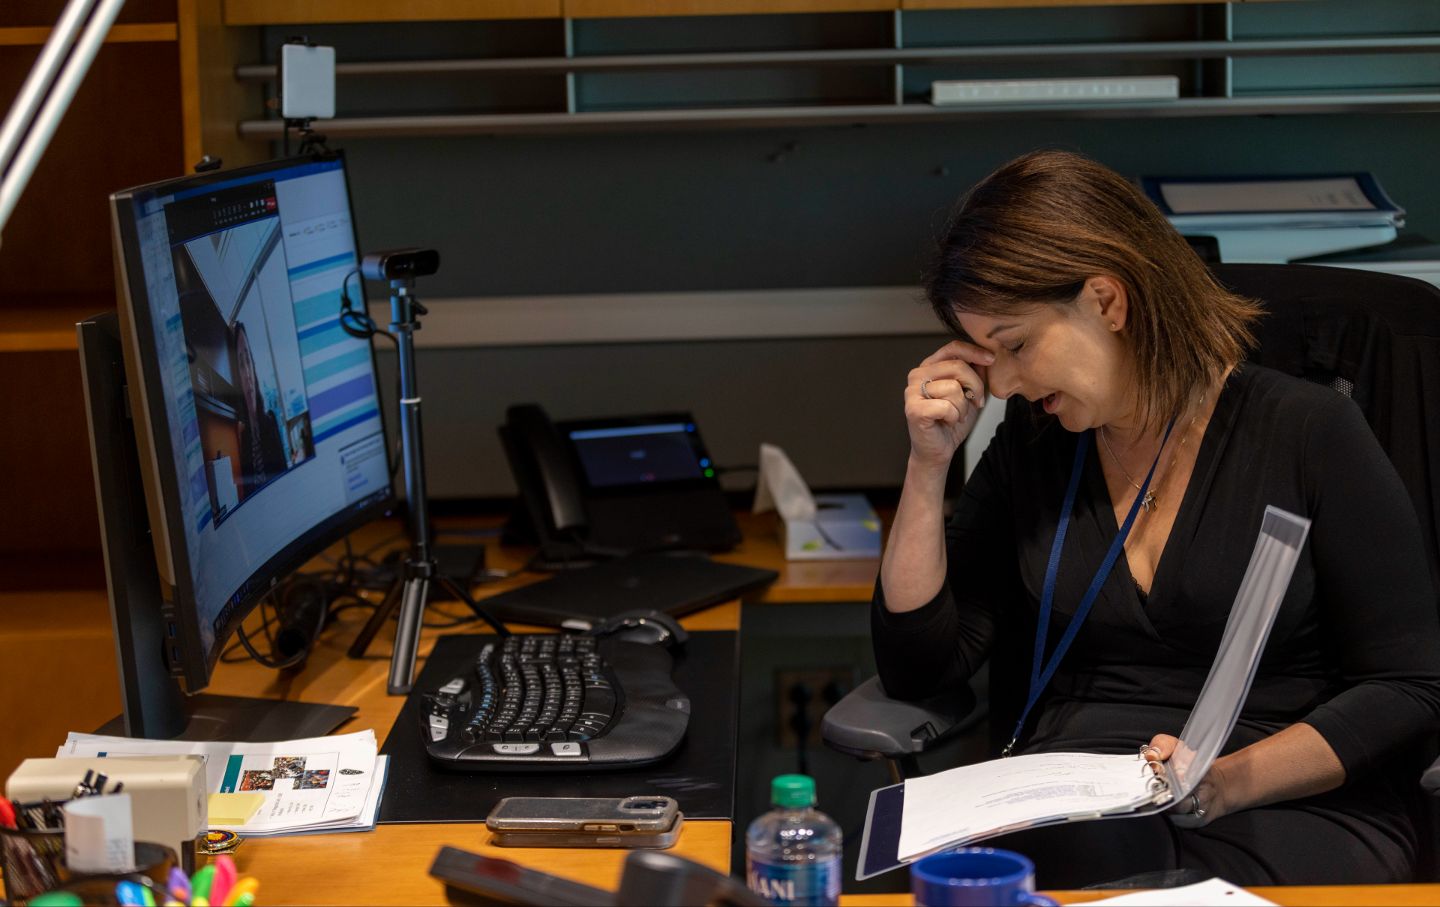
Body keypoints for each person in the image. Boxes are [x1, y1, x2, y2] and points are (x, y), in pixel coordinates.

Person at [873, 149, 1440, 887]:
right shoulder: (1036, 446)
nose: (1004, 383)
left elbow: (1411, 686)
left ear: (1107, 302)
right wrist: (928, 464)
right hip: (1079, 808)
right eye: (985, 357)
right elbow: (920, 665)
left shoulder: (1309, 433)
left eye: (1014, 346)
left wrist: (1228, 779)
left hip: (1282, 799)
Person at [231, 321, 287, 499]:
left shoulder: (270, 422)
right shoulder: (235, 433)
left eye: (248, 360)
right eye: (240, 364)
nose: (247, 373)